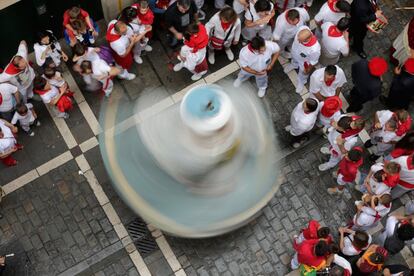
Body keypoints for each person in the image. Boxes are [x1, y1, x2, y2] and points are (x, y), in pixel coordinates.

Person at [284, 26, 321, 94]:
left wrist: (308, 70)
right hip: (295, 54)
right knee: (294, 60)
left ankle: (302, 81)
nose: (297, 40)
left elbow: (313, 62)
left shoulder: (315, 49)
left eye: (300, 40)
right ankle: (294, 65)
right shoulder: (302, 29)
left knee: (303, 72)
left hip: (304, 62)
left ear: (308, 39)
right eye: (298, 37)